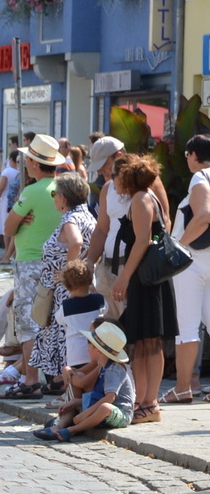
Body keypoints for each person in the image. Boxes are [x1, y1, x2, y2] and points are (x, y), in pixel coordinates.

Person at [107, 153, 177, 424]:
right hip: (150, 278)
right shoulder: (149, 196)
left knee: (145, 341)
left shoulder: (139, 199)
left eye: (116, 176)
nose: (113, 182)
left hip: (144, 278)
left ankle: (149, 403)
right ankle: (146, 402)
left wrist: (124, 277)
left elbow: (142, 241)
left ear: (126, 177)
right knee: (148, 341)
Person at [0, 133, 69, 400]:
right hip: (57, 261)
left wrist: (21, 219)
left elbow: (8, 227)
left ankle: (31, 379)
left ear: (35, 163)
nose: (25, 162)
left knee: (28, 319)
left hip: (30, 260)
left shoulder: (31, 191)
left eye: (28, 159)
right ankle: (56, 377)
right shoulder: (64, 187)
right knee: (53, 319)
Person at [85, 137, 169, 318]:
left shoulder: (147, 184)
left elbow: (164, 222)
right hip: (108, 265)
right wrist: (91, 261)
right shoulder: (108, 188)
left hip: (134, 268)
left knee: (133, 331)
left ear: (119, 156)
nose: (101, 170)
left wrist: (131, 273)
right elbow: (101, 229)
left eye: (104, 164)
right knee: (108, 332)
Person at [28, 168, 95, 391]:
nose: (54, 198)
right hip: (78, 286)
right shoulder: (87, 214)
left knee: (63, 338)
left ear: (63, 198)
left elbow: (75, 243)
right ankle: (65, 383)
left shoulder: (70, 219)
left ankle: (62, 383)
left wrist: (68, 271)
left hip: (64, 289)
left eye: (54, 194)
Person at [34, 320, 134, 442]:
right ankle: (59, 426)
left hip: (120, 412)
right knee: (78, 401)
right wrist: (76, 402)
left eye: (89, 344)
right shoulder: (103, 365)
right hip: (99, 406)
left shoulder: (114, 370)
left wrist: (85, 414)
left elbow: (109, 398)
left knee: (104, 407)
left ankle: (72, 430)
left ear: (98, 350)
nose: (87, 348)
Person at [168, 133, 210, 402]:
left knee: (187, 326)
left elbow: (204, 215)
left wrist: (179, 246)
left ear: (194, 155)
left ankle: (183, 387)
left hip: (193, 260)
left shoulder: (200, 177)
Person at [58, 258, 105, 399]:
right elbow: (106, 310)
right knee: (91, 381)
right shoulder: (98, 300)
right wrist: (95, 291)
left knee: (76, 378)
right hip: (93, 349)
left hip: (75, 351)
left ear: (67, 285)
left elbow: (58, 319)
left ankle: (72, 397)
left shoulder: (66, 306)